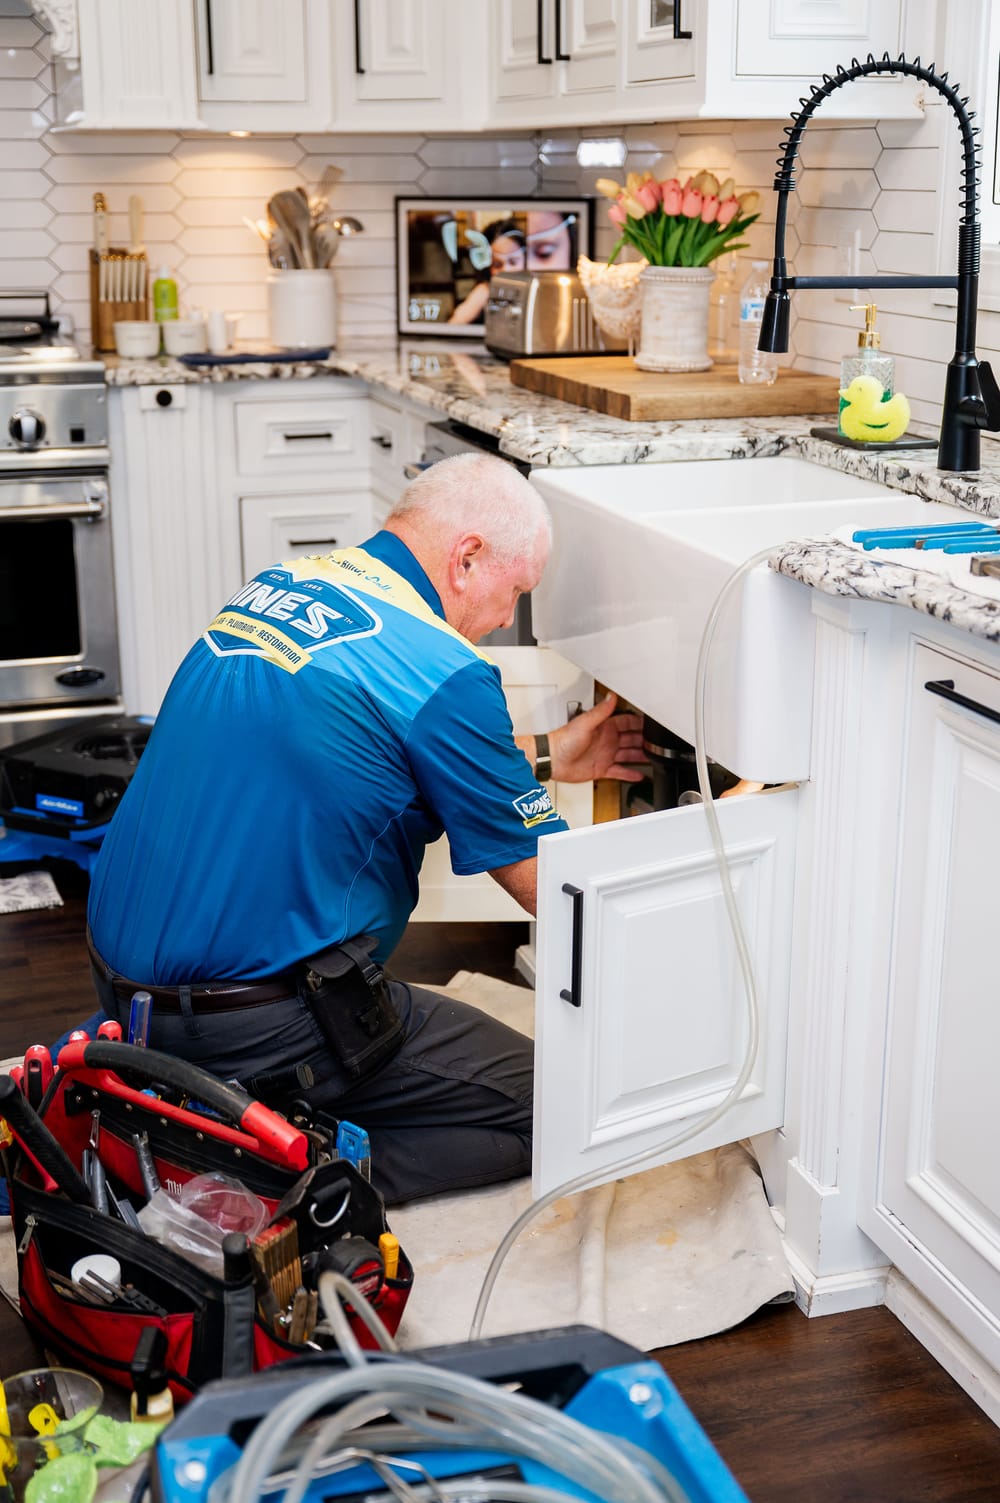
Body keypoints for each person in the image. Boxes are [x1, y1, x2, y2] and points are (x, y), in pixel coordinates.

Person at [86, 454, 644, 1205]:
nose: (509, 617)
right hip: (255, 1022)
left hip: (123, 996)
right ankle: (271, 1168)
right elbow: (562, 892)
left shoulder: (277, 585)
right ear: (467, 556)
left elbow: (366, 754)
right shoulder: (444, 669)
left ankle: (199, 1110)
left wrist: (545, 755)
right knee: (558, 1105)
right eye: (516, 590)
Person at [448, 218, 526, 325]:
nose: (505, 270)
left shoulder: (534, 291)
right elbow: (454, 325)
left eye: (513, 262)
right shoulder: (484, 291)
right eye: (497, 264)